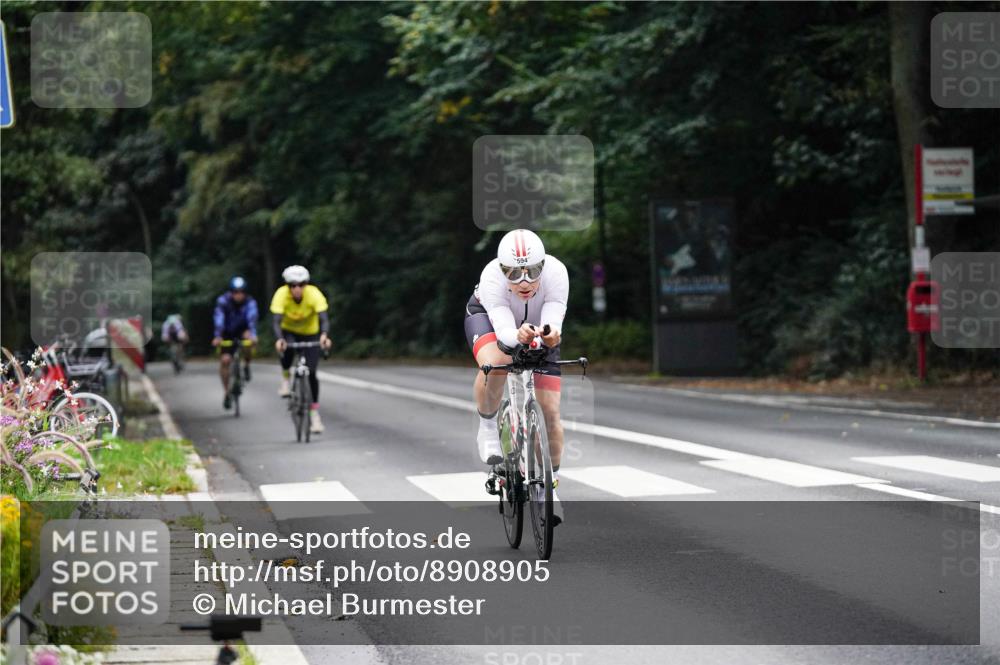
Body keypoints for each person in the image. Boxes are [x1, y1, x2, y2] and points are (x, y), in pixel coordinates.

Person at [463, 229, 568, 524]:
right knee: (497, 362)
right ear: (501, 269)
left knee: (550, 415)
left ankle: (550, 488)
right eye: (514, 273)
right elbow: (505, 332)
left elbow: (552, 322)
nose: (524, 282)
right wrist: (517, 336)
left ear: (543, 266)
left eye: (532, 271)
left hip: (536, 329)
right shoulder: (491, 277)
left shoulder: (557, 273)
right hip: (489, 319)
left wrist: (549, 335)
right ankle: (486, 428)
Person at [270, 265, 332, 434]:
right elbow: (276, 321)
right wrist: (279, 339)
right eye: (292, 285)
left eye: (301, 284)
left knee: (311, 373)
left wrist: (324, 336)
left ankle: (314, 414)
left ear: (306, 284)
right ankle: (285, 378)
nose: (297, 289)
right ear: (287, 286)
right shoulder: (281, 295)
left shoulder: (314, 294)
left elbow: (324, 318)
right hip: (289, 331)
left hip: (310, 333)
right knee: (286, 349)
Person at [211, 276, 259, 409]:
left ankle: (246, 365)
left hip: (243, 331)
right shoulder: (223, 302)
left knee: (249, 344)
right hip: (227, 333)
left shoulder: (250, 302)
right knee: (225, 361)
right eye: (235, 292)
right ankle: (226, 392)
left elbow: (252, 318)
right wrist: (218, 336)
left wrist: (252, 335)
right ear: (231, 292)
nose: (239, 295)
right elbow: (219, 318)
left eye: (241, 292)